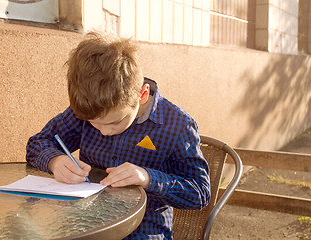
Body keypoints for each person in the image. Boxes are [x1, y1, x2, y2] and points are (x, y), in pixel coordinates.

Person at [26, 32, 210, 239]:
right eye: (93, 124)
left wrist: (148, 178)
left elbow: (200, 193)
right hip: (86, 223)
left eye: (115, 122)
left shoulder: (177, 125)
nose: (103, 131)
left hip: (143, 230)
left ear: (141, 95)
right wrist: (55, 161)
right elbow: (37, 143)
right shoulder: (91, 109)